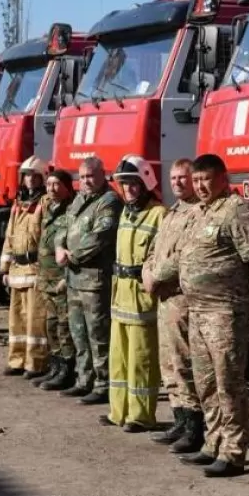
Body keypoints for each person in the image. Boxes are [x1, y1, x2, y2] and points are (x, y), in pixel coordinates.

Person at [151, 153, 249, 478]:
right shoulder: (198, 213)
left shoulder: (236, 211)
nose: (201, 186)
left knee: (228, 383)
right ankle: (213, 442)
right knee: (205, 383)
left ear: (222, 178)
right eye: (197, 180)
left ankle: (233, 452)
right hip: (197, 312)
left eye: (207, 179)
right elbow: (182, 256)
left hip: (225, 313)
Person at [101, 154, 166, 432]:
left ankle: (140, 416)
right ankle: (119, 412)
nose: (127, 189)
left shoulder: (158, 213)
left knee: (141, 360)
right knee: (119, 358)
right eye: (123, 184)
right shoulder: (127, 212)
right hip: (121, 296)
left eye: (132, 184)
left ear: (145, 183)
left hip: (142, 298)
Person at [143, 157, 203, 452]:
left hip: (181, 298)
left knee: (184, 362)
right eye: (174, 178)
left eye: (183, 177)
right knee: (168, 362)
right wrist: (147, 270)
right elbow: (154, 250)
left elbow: (185, 255)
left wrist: (155, 276)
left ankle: (194, 427)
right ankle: (179, 419)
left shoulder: (197, 213)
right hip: (164, 298)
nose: (178, 183)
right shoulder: (171, 213)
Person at [56, 156, 122, 404]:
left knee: (98, 335)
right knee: (78, 333)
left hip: (94, 281)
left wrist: (71, 256)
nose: (86, 181)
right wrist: (59, 248)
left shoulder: (109, 201)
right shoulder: (78, 200)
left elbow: (100, 236)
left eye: (91, 176)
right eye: (82, 177)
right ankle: (84, 380)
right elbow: (63, 227)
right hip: (74, 279)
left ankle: (103, 384)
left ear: (102, 174)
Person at [0, 156, 50, 376]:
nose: (29, 179)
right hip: (17, 270)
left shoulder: (45, 203)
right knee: (16, 319)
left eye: (33, 175)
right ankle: (17, 359)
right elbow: (9, 236)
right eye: (26, 175)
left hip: (35, 268)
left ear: (41, 177)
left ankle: (35, 363)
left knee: (35, 321)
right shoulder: (18, 203)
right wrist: (4, 267)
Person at [34, 169, 78, 390]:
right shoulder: (48, 208)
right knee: (50, 325)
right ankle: (55, 366)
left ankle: (68, 371)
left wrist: (65, 278)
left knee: (64, 326)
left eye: (56, 184)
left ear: (67, 186)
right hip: (46, 279)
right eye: (49, 184)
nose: (51, 189)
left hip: (61, 280)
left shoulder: (72, 211)